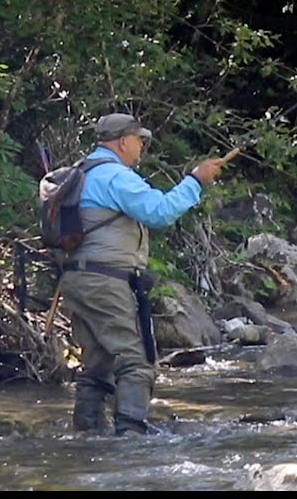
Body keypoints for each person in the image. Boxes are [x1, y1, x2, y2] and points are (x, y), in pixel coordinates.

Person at [58, 112, 228, 436]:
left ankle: (86, 436)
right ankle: (132, 436)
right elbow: (159, 212)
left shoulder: (80, 171)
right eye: (140, 140)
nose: (142, 148)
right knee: (135, 360)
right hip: (106, 281)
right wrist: (195, 180)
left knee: (97, 364)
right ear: (124, 141)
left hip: (77, 281)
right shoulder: (115, 177)